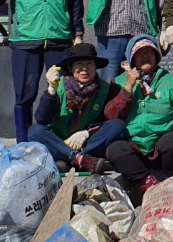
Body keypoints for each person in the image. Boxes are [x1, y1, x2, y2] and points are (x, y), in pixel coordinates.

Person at [0, 0, 84, 147]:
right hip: (25, 40)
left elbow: (75, 3)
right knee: (24, 96)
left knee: (62, 93)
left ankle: (58, 142)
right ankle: (23, 144)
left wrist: (78, 34)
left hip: (59, 40)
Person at [103, 34, 173, 197]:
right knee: (116, 150)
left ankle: (171, 181)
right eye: (140, 53)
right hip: (133, 144)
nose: (145, 56)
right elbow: (110, 114)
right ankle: (147, 183)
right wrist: (128, 86)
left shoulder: (171, 79)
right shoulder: (119, 81)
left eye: (150, 52)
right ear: (132, 58)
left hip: (161, 141)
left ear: (157, 56)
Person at [27, 42, 127, 173]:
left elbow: (107, 120)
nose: (84, 69)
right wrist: (51, 90)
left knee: (117, 125)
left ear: (96, 66)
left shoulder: (106, 89)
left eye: (89, 64)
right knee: (35, 131)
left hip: (86, 142)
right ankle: (77, 158)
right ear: (71, 67)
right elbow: (42, 119)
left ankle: (66, 159)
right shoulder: (59, 85)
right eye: (79, 64)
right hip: (58, 140)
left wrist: (86, 133)